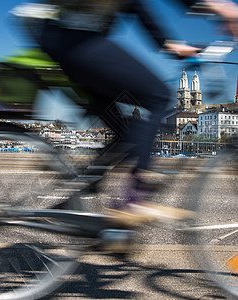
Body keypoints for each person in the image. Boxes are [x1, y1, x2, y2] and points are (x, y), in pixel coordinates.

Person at [34, 0, 238, 220]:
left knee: (126, 132)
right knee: (158, 96)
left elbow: (137, 8)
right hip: (76, 39)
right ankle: (135, 197)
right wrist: (216, 5)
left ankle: (75, 198)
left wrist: (169, 44)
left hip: (66, 42)